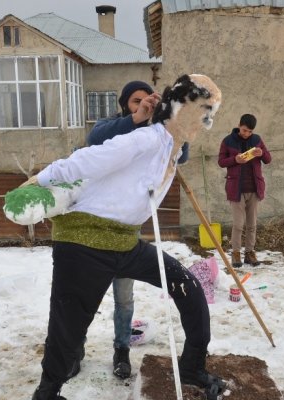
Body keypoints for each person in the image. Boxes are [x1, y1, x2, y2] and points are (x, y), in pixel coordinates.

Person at [26, 74, 226, 400]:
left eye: (211, 112)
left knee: (188, 289)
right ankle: (47, 393)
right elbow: (89, 156)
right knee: (69, 325)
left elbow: (179, 148)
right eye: (205, 110)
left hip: (123, 241)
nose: (207, 121)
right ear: (182, 108)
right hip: (84, 242)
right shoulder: (144, 139)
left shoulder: (170, 148)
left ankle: (191, 367)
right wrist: (40, 180)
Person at [86, 80, 190, 380]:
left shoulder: (156, 136)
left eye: (148, 101)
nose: (143, 104)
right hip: (94, 230)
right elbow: (94, 138)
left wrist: (170, 118)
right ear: (125, 105)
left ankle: (121, 350)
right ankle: (74, 350)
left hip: (126, 232)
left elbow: (181, 155)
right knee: (87, 297)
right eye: (136, 101)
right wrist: (136, 118)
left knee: (124, 298)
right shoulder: (114, 128)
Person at [217, 114, 272, 268]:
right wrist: (235, 160)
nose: (246, 133)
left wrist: (262, 153)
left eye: (249, 131)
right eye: (244, 130)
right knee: (238, 225)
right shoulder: (228, 141)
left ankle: (250, 252)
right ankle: (236, 253)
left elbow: (268, 159)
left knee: (252, 224)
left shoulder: (257, 140)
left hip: (254, 188)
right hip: (236, 189)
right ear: (239, 125)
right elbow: (221, 162)